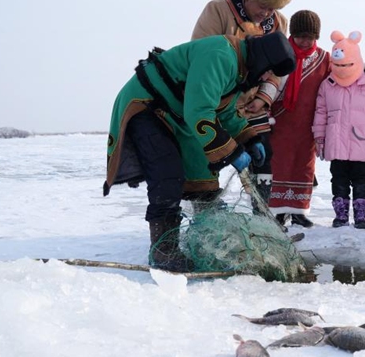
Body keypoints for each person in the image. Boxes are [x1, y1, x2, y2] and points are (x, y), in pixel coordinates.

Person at [103, 33, 296, 272]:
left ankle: (203, 236)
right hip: (149, 106)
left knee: (201, 174)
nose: (266, 77)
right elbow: (200, 112)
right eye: (268, 71)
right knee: (167, 172)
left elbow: (223, 111)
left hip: (175, 114)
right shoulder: (221, 55)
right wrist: (232, 152)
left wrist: (248, 138)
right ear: (263, 59)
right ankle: (164, 251)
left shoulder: (239, 69)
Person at [192, 0, 292, 205]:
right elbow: (202, 56)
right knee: (206, 160)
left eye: (272, 9)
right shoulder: (218, 10)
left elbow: (277, 68)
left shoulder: (279, 22)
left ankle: (262, 216)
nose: (267, 13)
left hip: (252, 106)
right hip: (217, 105)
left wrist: (263, 98)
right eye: (262, 6)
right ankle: (205, 218)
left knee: (262, 156)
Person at [313, 31, 365, 229]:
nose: (342, 69)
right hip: (336, 143)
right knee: (338, 179)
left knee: (362, 179)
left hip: (361, 143)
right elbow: (320, 112)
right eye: (338, 65)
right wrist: (319, 137)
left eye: (346, 65)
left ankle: (361, 215)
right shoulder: (327, 86)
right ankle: (341, 215)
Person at [268, 10, 330, 229]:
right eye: (301, 36)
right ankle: (277, 211)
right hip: (281, 121)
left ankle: (298, 212)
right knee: (279, 165)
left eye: (310, 37)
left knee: (304, 167)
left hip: (308, 123)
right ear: (292, 34)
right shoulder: (280, 53)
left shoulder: (324, 58)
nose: (305, 41)